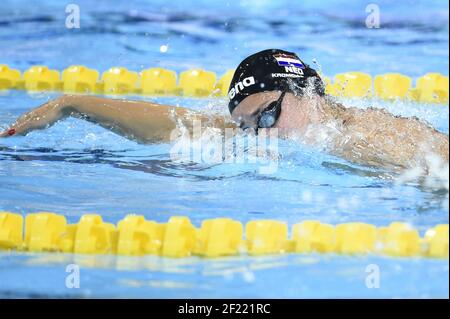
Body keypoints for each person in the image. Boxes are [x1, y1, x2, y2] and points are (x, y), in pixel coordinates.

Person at [1, 49, 448, 171]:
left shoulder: (367, 137)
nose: (261, 137)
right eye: (248, 127)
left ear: (309, 93)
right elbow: (175, 126)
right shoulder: (282, 130)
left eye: (267, 117)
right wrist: (72, 104)